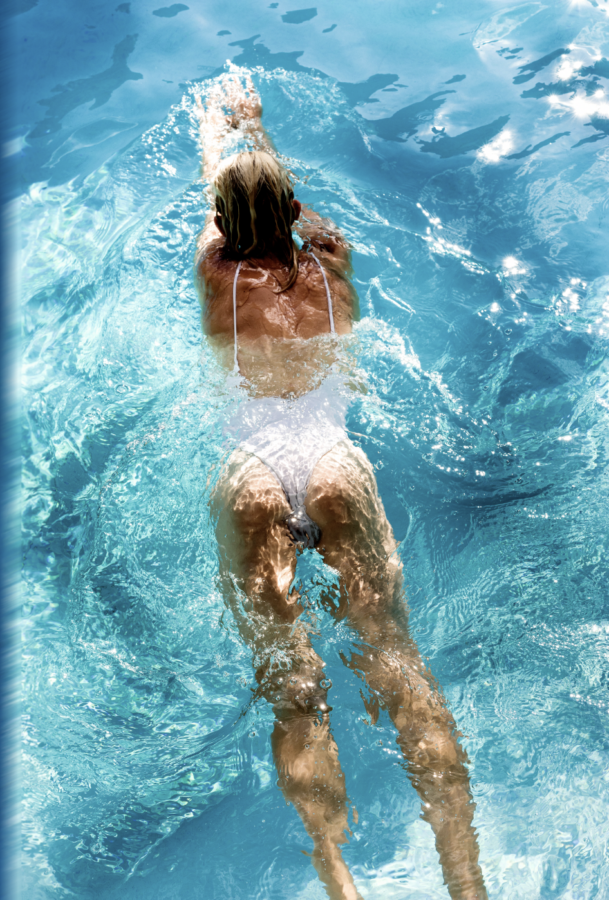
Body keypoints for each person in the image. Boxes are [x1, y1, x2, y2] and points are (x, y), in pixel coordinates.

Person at [195, 75, 487, 900]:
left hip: (251, 470)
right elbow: (286, 209)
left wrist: (219, 135)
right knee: (398, 665)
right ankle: (466, 882)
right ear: (295, 217)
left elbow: (217, 200)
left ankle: (334, 871)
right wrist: (262, 128)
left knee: (293, 685)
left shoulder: (216, 270)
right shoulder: (332, 260)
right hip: (332, 462)